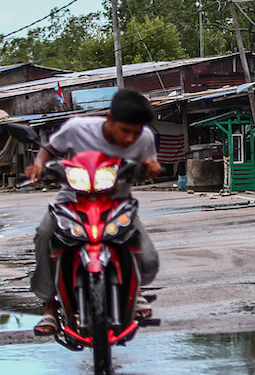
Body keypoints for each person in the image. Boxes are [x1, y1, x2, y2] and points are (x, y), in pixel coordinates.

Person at [26, 89, 162, 336]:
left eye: (136, 132)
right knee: (45, 235)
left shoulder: (146, 138)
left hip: (117, 203)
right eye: (125, 130)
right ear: (109, 118)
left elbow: (148, 165)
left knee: (148, 258)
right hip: (71, 200)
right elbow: (50, 149)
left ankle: (136, 291)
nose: (131, 138)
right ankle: (49, 307)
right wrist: (38, 165)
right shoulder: (78, 128)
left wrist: (150, 168)